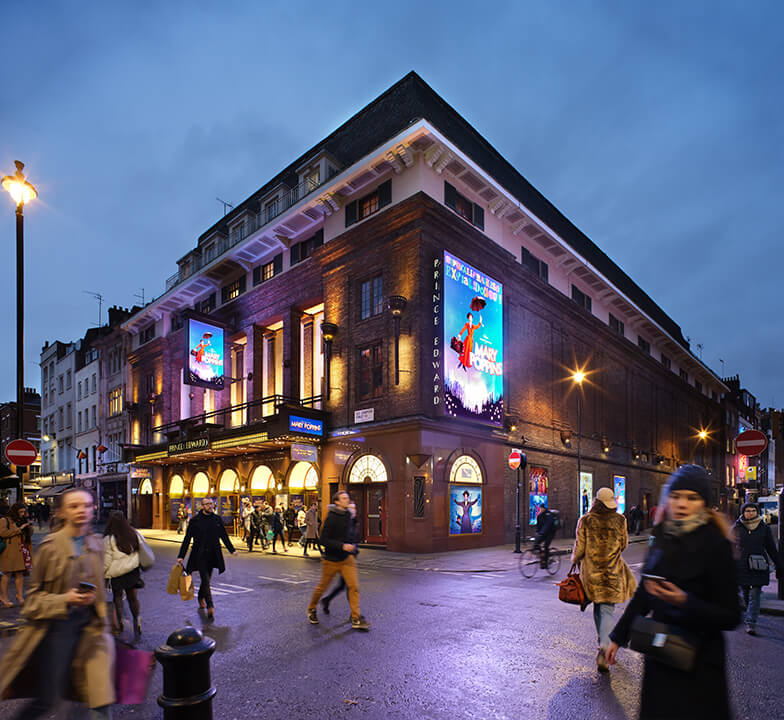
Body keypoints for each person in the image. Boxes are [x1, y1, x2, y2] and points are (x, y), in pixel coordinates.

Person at [606, 465, 740, 720]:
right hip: (662, 656)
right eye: (677, 496)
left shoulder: (716, 545)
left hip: (699, 665)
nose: (682, 504)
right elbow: (644, 594)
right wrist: (617, 637)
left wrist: (684, 601)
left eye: (692, 498)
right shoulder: (663, 537)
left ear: (703, 503)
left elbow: (731, 615)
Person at [0, 488, 114, 719]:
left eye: (86, 505)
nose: (81, 510)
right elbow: (32, 601)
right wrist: (66, 599)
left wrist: (106, 619)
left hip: (92, 631)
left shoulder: (97, 544)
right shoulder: (50, 548)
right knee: (47, 698)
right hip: (56, 631)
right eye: (74, 506)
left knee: (100, 700)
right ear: (62, 512)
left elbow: (100, 590)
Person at [571, 487, 636, 673]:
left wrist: (575, 559)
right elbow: (623, 545)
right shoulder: (620, 520)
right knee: (607, 609)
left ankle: (603, 642)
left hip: (592, 574)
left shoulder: (585, 521)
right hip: (613, 571)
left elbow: (580, 547)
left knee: (599, 606)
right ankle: (604, 647)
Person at [307, 491, 369, 630]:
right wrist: (342, 545)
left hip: (347, 559)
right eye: (344, 498)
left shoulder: (348, 515)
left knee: (353, 587)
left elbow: (353, 535)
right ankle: (311, 608)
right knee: (322, 587)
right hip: (331, 559)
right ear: (337, 502)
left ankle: (356, 618)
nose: (347, 500)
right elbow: (324, 540)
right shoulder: (331, 518)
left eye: (348, 498)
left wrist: (354, 519)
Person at [177, 497, 237, 621]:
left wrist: (232, 550)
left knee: (207, 579)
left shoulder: (217, 519)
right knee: (205, 579)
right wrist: (181, 556)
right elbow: (187, 539)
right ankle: (210, 607)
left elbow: (224, 536)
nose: (210, 506)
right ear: (202, 506)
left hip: (213, 554)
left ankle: (200, 597)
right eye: (207, 504)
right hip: (199, 554)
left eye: (211, 504)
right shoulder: (195, 521)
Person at [732, 501, 782, 635]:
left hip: (758, 565)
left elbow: (771, 548)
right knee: (747, 595)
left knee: (755, 595)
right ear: (743, 513)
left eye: (753, 511)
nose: (750, 513)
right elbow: (728, 547)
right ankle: (751, 615)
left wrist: (779, 564)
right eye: (748, 511)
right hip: (741, 566)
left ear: (757, 512)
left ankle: (751, 623)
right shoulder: (736, 527)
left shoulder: (763, 528)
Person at [103, 511, 147, 637]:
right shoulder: (134, 533)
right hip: (132, 571)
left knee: (117, 597)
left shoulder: (108, 539)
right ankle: (137, 620)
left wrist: (103, 573)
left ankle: (120, 620)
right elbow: (142, 550)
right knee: (133, 598)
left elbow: (106, 560)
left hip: (117, 573)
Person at [320, 500, 359, 615]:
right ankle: (354, 614)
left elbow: (354, 540)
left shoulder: (353, 522)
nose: (352, 510)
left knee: (345, 586)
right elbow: (329, 539)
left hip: (349, 558)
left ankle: (327, 600)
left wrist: (355, 550)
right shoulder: (343, 522)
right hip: (338, 558)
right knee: (350, 587)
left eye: (354, 508)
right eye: (350, 508)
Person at [0, 503, 33, 608]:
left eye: (24, 512)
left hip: (21, 549)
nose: (22, 514)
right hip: (9, 551)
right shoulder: (4, 520)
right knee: (7, 574)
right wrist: (19, 529)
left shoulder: (22, 519)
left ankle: (19, 595)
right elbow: (3, 533)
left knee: (20, 573)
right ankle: (3, 597)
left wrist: (28, 527)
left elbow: (28, 534)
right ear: (15, 511)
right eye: (20, 512)